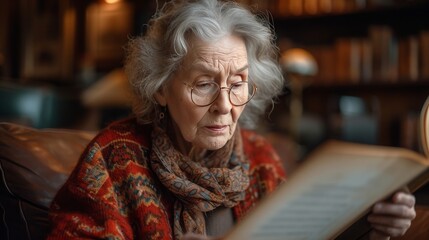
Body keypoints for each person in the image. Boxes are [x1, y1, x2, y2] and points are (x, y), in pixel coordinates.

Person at [47, 0, 416, 239]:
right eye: (204, 84)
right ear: (160, 88)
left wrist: (373, 230)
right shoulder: (113, 158)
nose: (225, 105)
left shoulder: (260, 159)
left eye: (238, 83)